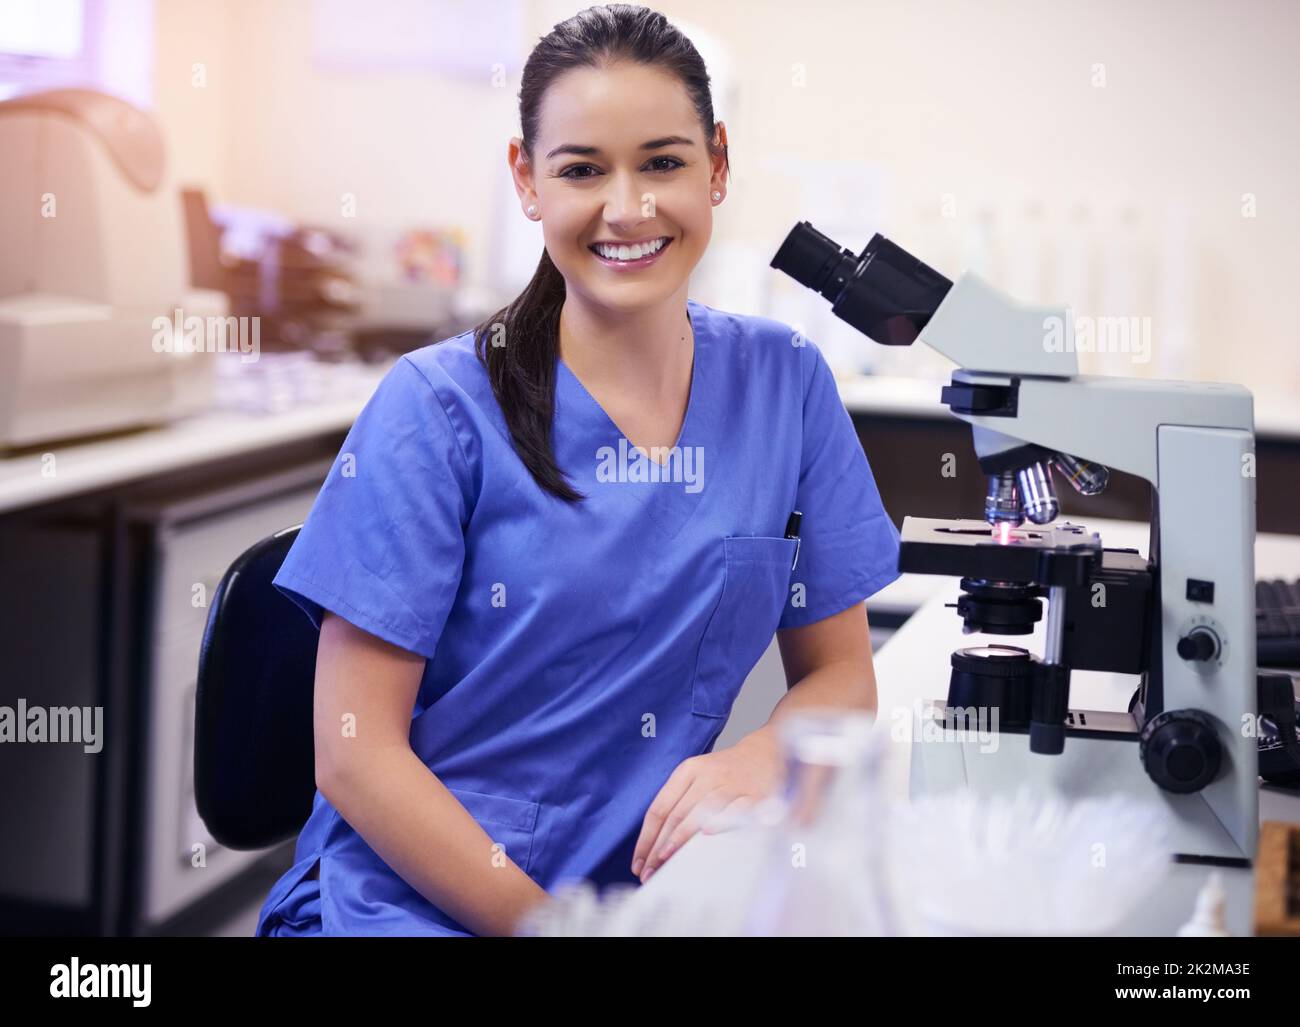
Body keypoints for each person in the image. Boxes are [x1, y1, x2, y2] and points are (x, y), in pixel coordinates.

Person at [255, 3, 900, 937]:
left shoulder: (784, 384)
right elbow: (355, 756)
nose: (627, 207)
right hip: (408, 899)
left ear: (717, 166)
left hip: (642, 898)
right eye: (583, 169)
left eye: (664, 162)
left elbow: (840, 676)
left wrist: (758, 756)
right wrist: (550, 929)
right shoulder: (436, 409)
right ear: (528, 180)